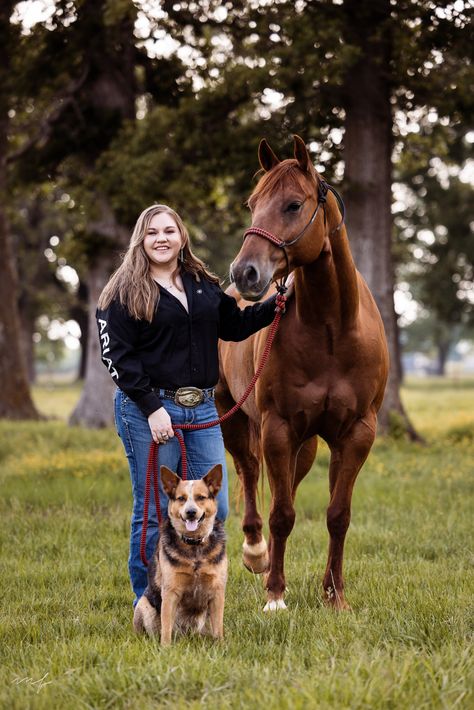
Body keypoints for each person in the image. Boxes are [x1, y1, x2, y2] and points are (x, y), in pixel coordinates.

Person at [96, 204, 282, 606]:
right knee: (153, 510)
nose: (161, 239)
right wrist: (151, 408)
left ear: (182, 237)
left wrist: (276, 303)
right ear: (140, 240)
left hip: (201, 410)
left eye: (168, 231)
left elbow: (233, 325)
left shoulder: (201, 283)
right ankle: (151, 603)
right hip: (148, 410)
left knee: (215, 506)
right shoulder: (123, 290)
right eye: (152, 233)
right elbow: (117, 359)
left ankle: (193, 593)